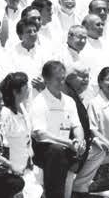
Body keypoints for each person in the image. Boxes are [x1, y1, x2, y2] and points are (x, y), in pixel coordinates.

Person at [28, 60, 82, 198]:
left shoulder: (69, 101)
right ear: (46, 79)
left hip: (66, 147)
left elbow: (77, 125)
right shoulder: (39, 101)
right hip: (45, 149)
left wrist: (79, 141)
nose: (61, 82)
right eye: (57, 79)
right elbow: (40, 134)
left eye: (63, 78)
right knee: (56, 151)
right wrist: (67, 142)